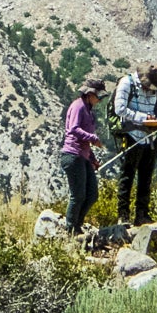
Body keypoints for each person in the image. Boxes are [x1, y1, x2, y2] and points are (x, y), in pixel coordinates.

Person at [113, 65, 157, 226]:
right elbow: (120, 109)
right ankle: (123, 215)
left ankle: (142, 214)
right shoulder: (127, 83)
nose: (151, 90)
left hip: (151, 137)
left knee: (146, 177)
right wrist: (143, 118)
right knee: (127, 175)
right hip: (132, 135)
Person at [59, 79, 107, 235]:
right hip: (73, 155)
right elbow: (73, 129)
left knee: (92, 195)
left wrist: (92, 159)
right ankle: (71, 228)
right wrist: (93, 138)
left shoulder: (88, 110)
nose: (99, 100)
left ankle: (77, 225)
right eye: (98, 96)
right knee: (78, 195)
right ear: (90, 94)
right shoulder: (78, 106)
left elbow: (85, 141)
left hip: (82, 156)